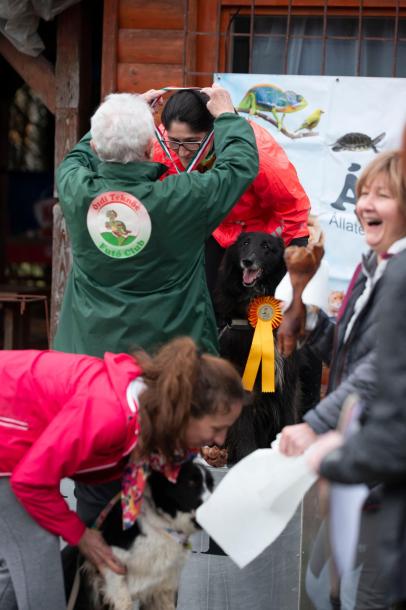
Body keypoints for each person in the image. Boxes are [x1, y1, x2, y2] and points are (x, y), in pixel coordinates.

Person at [0, 337, 244, 610]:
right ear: (187, 412)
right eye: (216, 428)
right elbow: (30, 482)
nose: (221, 440)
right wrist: (80, 535)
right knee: (37, 552)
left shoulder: (152, 406)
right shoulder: (111, 415)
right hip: (8, 435)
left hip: (18, 432)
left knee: (15, 565)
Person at [278, 149, 406, 610]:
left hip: (384, 466)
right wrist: (312, 326)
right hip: (360, 467)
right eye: (362, 193)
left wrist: (315, 423)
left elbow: (378, 373)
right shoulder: (372, 266)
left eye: (383, 195)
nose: (365, 205)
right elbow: (354, 357)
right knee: (332, 592)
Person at [53, 86, 258, 358]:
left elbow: (76, 157)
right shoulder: (183, 197)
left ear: (95, 146)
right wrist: (226, 117)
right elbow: (238, 166)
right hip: (169, 369)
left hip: (88, 360)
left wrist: (120, 118)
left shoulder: (74, 188)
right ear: (152, 147)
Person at [153, 88, 311, 295]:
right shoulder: (163, 146)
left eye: (192, 142)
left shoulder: (260, 156)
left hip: (258, 228)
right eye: (174, 142)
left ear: (214, 130)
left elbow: (293, 208)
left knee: (260, 306)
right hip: (211, 224)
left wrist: (286, 260)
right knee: (203, 297)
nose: (182, 152)